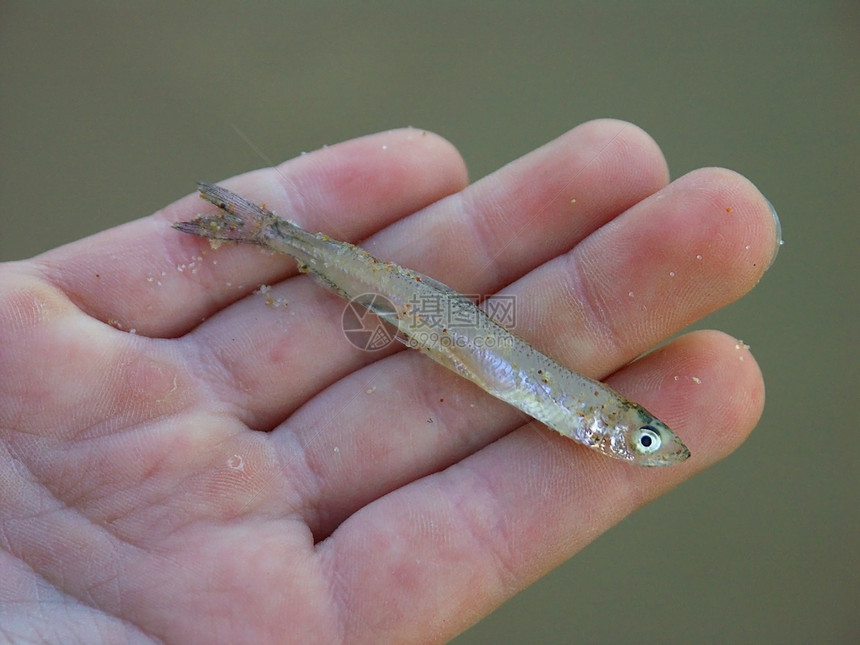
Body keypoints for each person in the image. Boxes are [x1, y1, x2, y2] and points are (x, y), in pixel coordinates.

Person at [0, 120, 780, 643]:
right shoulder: (593, 417)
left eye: (645, 443)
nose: (640, 447)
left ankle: (265, 230)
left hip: (433, 323)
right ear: (619, 421)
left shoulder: (588, 419)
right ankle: (266, 229)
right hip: (421, 310)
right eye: (645, 437)